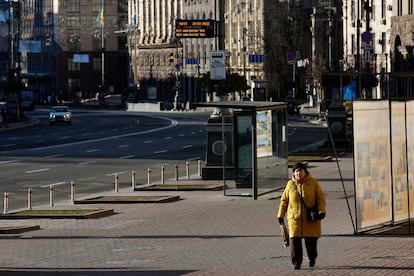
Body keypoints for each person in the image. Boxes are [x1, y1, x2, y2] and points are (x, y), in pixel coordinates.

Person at [277, 162, 326, 270]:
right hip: (295, 219)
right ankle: (296, 262)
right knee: (295, 242)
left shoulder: (313, 183)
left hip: (311, 218)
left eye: (300, 170)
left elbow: (320, 198)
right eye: (296, 171)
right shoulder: (290, 184)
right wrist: (280, 215)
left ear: (305, 172)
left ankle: (312, 258)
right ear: (294, 173)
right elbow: (284, 200)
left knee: (311, 243)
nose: (298, 173)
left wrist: (322, 211)